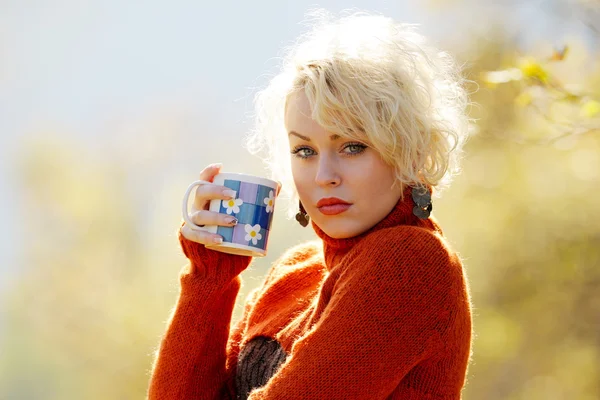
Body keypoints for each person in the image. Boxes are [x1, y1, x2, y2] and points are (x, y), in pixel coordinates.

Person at [147, 9, 473, 400]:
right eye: (304, 150)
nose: (323, 175)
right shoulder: (293, 272)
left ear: (409, 151)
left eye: (352, 146)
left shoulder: (411, 261)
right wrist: (209, 275)